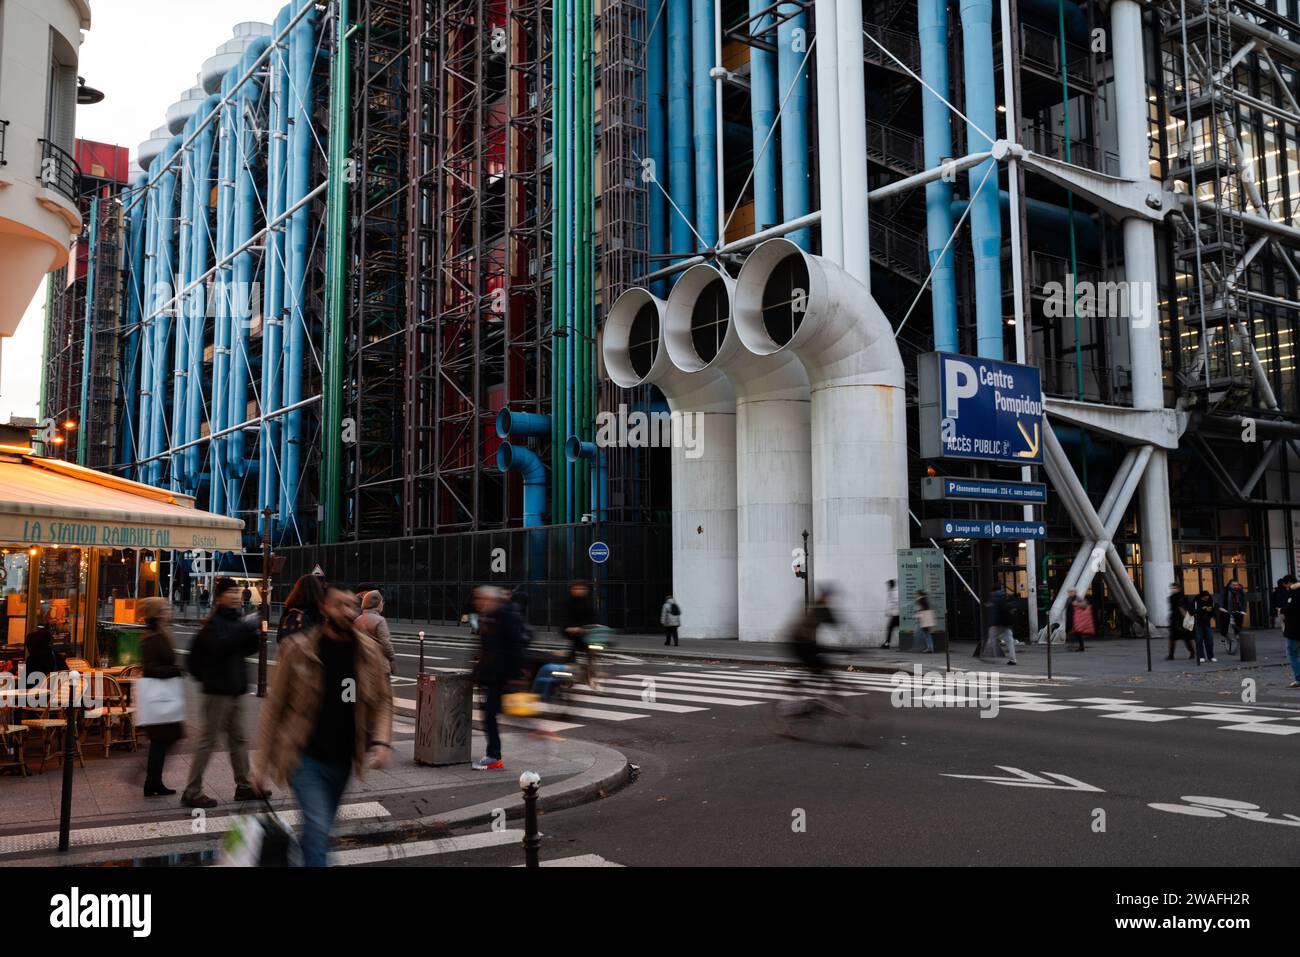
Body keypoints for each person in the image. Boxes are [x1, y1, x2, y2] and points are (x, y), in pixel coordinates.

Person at [252, 583, 393, 867]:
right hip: (305, 758)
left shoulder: (367, 653)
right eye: (338, 604)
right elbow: (274, 708)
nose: (347, 611)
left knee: (319, 830)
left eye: (351, 605)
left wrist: (380, 741)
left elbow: (382, 701)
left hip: (343, 760)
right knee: (318, 826)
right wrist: (259, 766)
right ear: (324, 608)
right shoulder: (298, 650)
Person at [182, 577, 265, 809]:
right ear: (220, 597)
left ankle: (244, 785)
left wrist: (253, 634)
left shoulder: (234, 620)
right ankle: (192, 790)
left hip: (235, 689)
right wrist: (208, 679)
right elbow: (215, 649)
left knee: (238, 739)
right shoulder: (213, 624)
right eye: (231, 592)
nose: (237, 596)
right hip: (218, 691)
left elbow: (244, 648)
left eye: (238, 592)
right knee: (208, 741)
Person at [471, 586, 524, 770]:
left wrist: (513, 676)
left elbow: (512, 647)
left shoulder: (503, 616)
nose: (478, 602)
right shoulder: (490, 616)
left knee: (490, 715)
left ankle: (494, 756)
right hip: (492, 675)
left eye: (481, 598)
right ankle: (494, 754)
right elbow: (485, 649)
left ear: (491, 599)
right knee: (491, 714)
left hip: (499, 676)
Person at [137, 596, 184, 797]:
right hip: (159, 696)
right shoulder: (152, 638)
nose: (168, 612)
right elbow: (150, 668)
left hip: (163, 695)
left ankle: (152, 780)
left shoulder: (158, 634)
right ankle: (150, 780)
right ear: (157, 614)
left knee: (164, 739)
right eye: (164, 609)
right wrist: (174, 670)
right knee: (162, 740)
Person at [355, 590, 395, 673]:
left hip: (362, 663)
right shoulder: (380, 620)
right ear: (377, 604)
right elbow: (385, 643)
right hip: (379, 664)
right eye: (381, 602)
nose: (382, 604)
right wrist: (392, 658)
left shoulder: (357, 620)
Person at [278, 574, 325, 645]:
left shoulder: (290, 607)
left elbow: (279, 637)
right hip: (309, 652)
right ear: (317, 590)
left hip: (289, 653)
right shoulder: (319, 610)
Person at [984, 587, 1016, 665]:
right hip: (1006, 623)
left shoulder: (994, 597)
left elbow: (994, 610)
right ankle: (1013, 659)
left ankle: (991, 655)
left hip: (997, 624)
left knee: (991, 638)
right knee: (1009, 640)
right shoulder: (1004, 596)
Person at [1279, 575, 1300, 689]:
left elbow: (1290, 609)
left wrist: (1282, 610)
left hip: (1294, 630)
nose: (1286, 587)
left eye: (1286, 585)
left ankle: (1299, 678)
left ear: (1289, 583)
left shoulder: (1294, 594)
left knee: (1292, 654)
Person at [1166, 583, 1196, 660]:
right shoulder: (1171, 597)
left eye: (1175, 588)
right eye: (1172, 588)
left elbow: (1185, 608)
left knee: (1187, 638)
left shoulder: (1183, 597)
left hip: (1182, 620)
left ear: (1179, 588)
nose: (1173, 589)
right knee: (1172, 638)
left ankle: (1192, 652)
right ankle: (1171, 655)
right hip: (1175, 620)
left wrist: (1186, 618)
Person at [1218, 579, 1246, 654]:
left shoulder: (1240, 591)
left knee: (1238, 624)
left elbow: (1243, 600)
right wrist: (1221, 607)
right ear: (1229, 584)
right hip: (1226, 610)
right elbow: (1221, 598)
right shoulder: (1225, 590)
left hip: (1237, 610)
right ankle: (1225, 636)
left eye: (1236, 585)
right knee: (1224, 626)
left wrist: (1243, 610)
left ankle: (1237, 634)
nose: (1234, 586)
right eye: (1233, 585)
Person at [1193, 589, 1218, 664]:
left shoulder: (1210, 601)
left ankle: (1211, 656)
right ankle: (1201, 656)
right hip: (1198, 624)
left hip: (1207, 623)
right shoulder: (1196, 601)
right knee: (1199, 640)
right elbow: (1192, 611)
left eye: (1207, 597)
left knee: (1210, 640)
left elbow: (1213, 612)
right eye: (1204, 598)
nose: (1206, 599)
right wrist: (1202, 609)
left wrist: (1211, 610)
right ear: (1201, 597)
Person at [883, 579, 899, 649]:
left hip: (896, 614)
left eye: (888, 585)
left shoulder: (894, 592)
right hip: (895, 614)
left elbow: (895, 603)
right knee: (890, 628)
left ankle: (887, 643)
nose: (887, 587)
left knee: (889, 628)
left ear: (891, 585)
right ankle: (887, 643)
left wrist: (890, 612)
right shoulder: (892, 592)